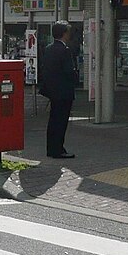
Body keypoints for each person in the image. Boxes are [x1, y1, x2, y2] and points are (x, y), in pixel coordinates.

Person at [40, 20, 77, 159]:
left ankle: (51, 149)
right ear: (64, 33)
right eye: (68, 31)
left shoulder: (49, 49)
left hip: (53, 91)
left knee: (53, 121)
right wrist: (75, 78)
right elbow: (69, 71)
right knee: (61, 122)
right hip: (64, 92)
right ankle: (58, 150)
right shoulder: (65, 50)